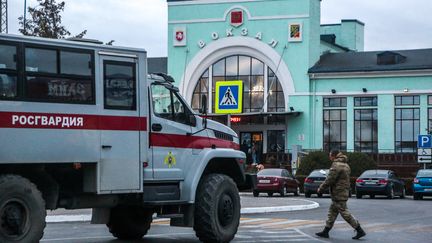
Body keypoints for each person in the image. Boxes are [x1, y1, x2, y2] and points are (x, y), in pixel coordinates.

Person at [315, 150, 366, 240]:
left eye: (330, 155)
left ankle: (359, 230)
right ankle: (326, 231)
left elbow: (330, 179)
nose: (329, 157)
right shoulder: (346, 165)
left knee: (344, 213)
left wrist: (321, 188)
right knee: (332, 213)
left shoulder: (336, 165)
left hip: (338, 193)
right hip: (342, 192)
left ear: (334, 156)